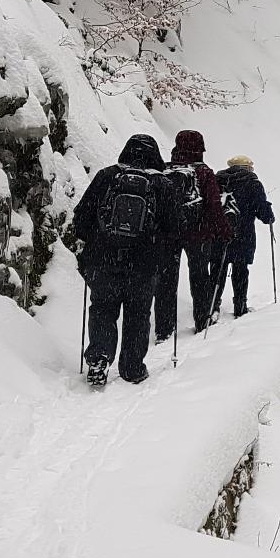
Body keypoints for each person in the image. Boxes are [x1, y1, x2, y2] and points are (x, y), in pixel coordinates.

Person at [73, 134, 180, 386]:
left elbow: (81, 218)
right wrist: (162, 258)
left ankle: (99, 357)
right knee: (138, 314)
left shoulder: (107, 176)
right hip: (144, 265)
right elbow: (174, 231)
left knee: (102, 309)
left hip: (104, 260)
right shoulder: (163, 185)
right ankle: (132, 368)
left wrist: (93, 247)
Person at [156, 129, 232, 339]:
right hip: (199, 233)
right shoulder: (204, 172)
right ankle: (201, 320)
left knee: (166, 280)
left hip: (169, 233)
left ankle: (164, 329)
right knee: (199, 276)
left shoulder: (165, 170)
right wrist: (224, 230)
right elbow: (214, 206)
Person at [214, 155, 275, 318]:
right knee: (240, 270)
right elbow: (262, 211)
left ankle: (212, 306)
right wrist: (269, 216)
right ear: (247, 168)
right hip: (243, 233)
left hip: (219, 233)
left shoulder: (217, 180)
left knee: (217, 269)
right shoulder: (252, 183)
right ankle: (240, 306)